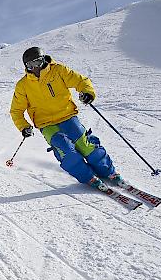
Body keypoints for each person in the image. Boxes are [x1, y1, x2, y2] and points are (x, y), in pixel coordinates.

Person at [10, 46, 122, 190]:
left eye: (37, 63)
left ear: (43, 60)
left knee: (85, 145)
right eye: (30, 65)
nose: (35, 68)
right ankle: (88, 177)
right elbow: (16, 110)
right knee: (65, 150)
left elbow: (81, 81)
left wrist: (87, 92)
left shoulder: (58, 71)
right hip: (46, 124)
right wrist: (24, 126)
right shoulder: (23, 85)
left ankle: (108, 171)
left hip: (67, 116)